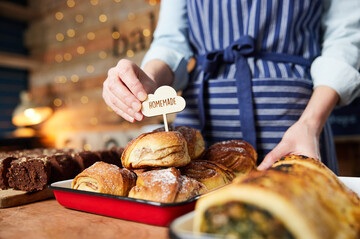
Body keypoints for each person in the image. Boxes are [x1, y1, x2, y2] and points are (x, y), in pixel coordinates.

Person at [103, 0, 360, 173]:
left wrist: (310, 124)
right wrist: (148, 80)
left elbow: (345, 38)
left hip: (297, 127)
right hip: (200, 127)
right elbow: (171, 41)